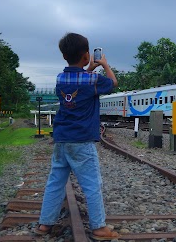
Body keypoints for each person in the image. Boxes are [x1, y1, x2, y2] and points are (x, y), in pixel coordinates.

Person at [34, 33, 120, 240]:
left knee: (55, 182)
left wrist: (87, 68)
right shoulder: (93, 80)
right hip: (82, 141)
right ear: (86, 55)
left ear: (64, 56)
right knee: (92, 184)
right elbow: (113, 83)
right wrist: (105, 65)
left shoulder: (60, 79)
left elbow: (77, 84)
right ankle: (99, 227)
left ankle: (44, 224)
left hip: (62, 139)